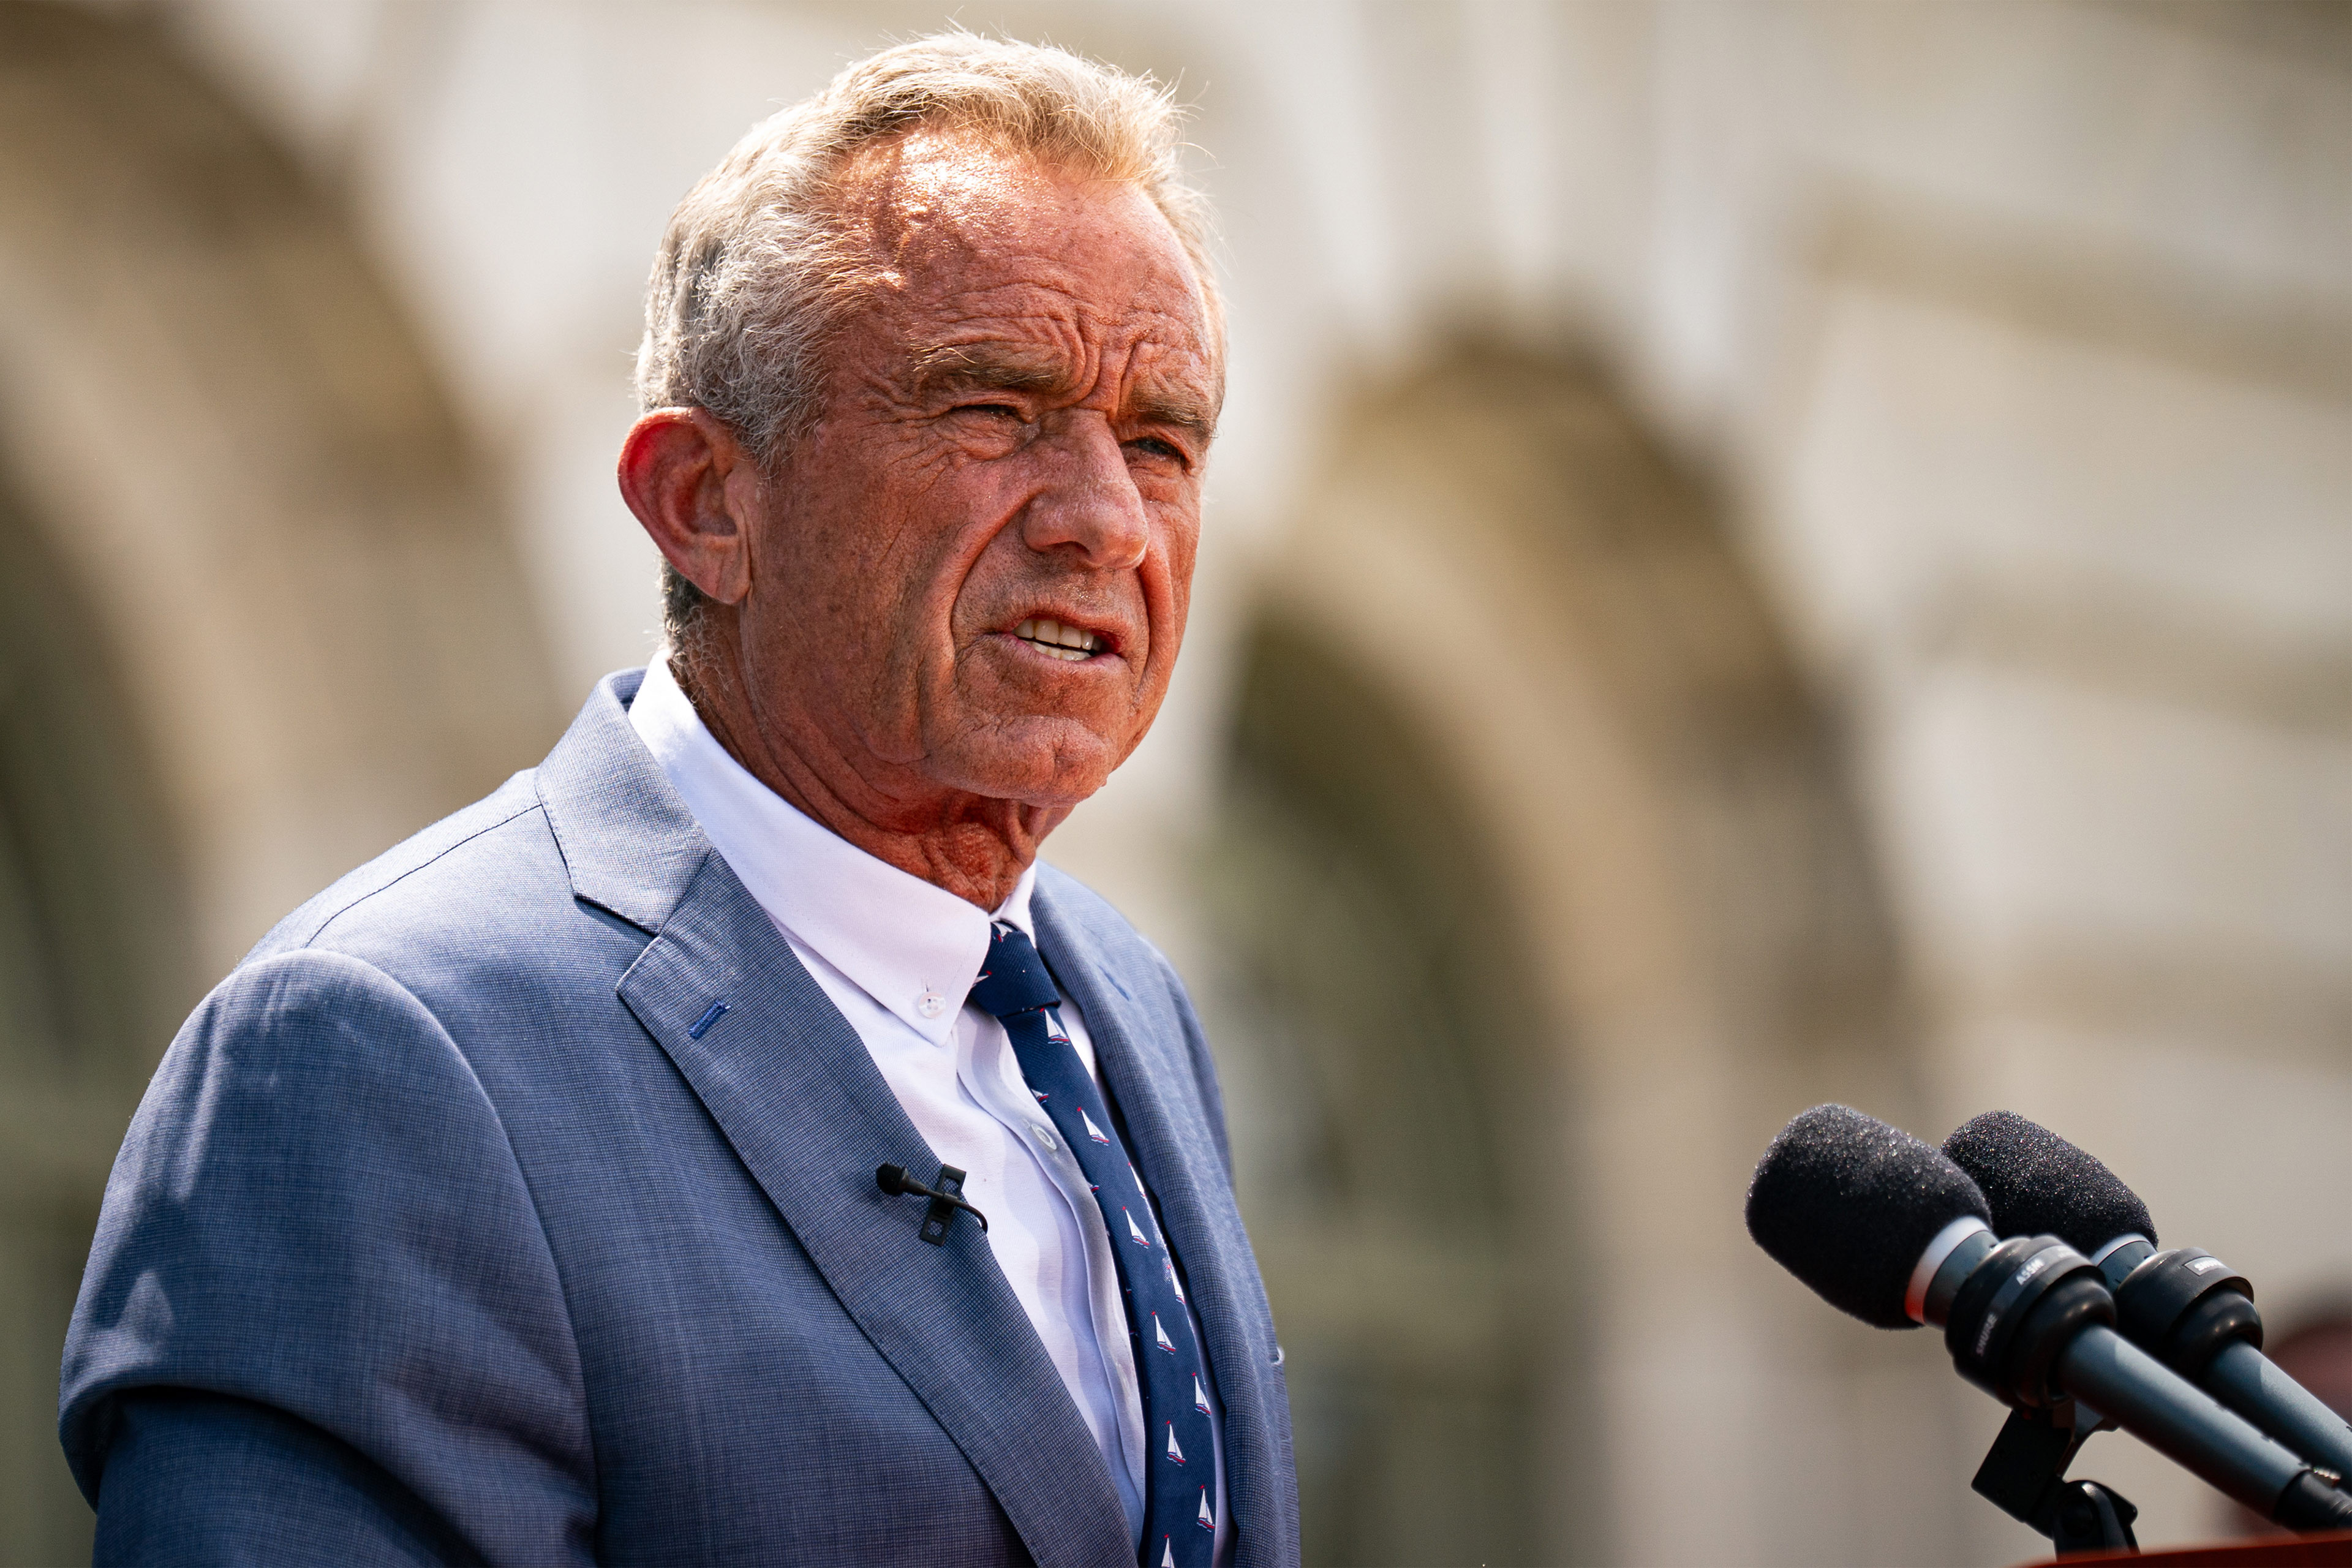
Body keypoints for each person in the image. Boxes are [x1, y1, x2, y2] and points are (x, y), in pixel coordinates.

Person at [59, 33, 1297, 1568]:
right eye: (993, 408)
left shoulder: (1128, 1005)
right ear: (705, 502)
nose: (1107, 518)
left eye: (1161, 440)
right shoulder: (378, 1054)